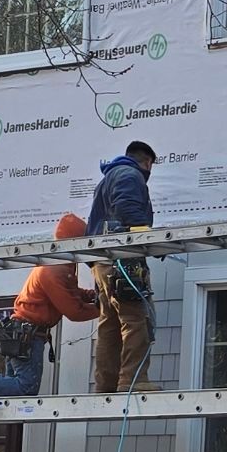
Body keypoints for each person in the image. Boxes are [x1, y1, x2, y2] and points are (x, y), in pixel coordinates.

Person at [0, 214, 102, 425]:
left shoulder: (58, 264)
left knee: (9, 391)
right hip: (27, 336)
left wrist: (89, 296)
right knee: (26, 389)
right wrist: (104, 308)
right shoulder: (53, 269)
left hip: (21, 333)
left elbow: (70, 292)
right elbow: (74, 311)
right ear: (75, 240)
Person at [85, 139, 157, 394]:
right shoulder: (130, 174)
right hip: (122, 259)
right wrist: (148, 240)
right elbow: (127, 208)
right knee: (136, 318)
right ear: (147, 162)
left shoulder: (107, 179)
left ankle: (105, 385)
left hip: (102, 262)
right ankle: (133, 380)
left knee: (110, 323)